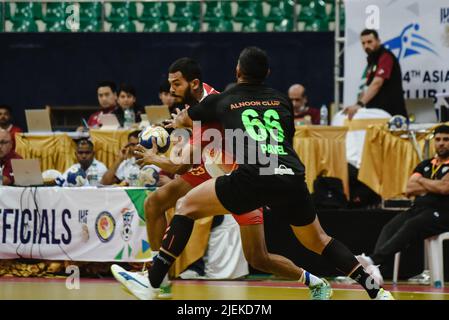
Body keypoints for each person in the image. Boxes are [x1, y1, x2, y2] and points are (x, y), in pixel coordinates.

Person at [111, 57, 333, 300]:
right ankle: (157, 279)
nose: (171, 90)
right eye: (170, 84)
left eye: (176, 84)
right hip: (212, 168)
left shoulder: (209, 112)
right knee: (155, 202)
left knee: (258, 258)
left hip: (238, 180)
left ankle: (313, 281)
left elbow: (181, 165)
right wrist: (172, 128)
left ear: (194, 83)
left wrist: (154, 158)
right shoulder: (202, 98)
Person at [357, 125, 449, 284]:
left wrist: (421, 181)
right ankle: (375, 268)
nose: (441, 143)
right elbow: (409, 188)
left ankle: (373, 260)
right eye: (438, 139)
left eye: (446, 140)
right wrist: (433, 184)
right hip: (418, 209)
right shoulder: (425, 164)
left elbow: (444, 188)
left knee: (412, 225)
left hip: (442, 212)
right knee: (390, 227)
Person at [344, 29, 407, 120]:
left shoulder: (385, 57)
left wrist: (360, 105)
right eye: (363, 43)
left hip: (390, 115)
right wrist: (355, 106)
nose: (366, 46)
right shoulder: (372, 61)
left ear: (378, 41)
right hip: (377, 113)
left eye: (370, 42)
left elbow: (377, 83)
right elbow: (367, 87)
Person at [100, 130, 167, 186]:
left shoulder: (161, 161)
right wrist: (119, 159)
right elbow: (105, 183)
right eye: (132, 145)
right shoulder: (127, 163)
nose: (136, 148)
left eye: (139, 144)